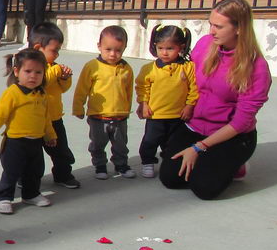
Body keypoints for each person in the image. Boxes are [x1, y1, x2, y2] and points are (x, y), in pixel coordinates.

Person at [159, 0, 271, 199]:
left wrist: (199, 147)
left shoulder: (256, 67)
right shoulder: (205, 44)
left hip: (231, 135)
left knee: (204, 189)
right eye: (210, 23)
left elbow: (241, 122)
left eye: (218, 26)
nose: (211, 31)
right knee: (170, 178)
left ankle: (235, 165)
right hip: (195, 126)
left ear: (239, 28)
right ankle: (211, 162)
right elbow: (189, 79)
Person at [0, 49, 57, 214]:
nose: (33, 76)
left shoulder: (42, 94)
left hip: (36, 141)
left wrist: (50, 135)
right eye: (27, 71)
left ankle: (31, 194)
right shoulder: (12, 93)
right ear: (16, 71)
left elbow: (45, 117)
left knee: (35, 170)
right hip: (15, 142)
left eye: (38, 72)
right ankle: (4, 197)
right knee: (11, 171)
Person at [72, 25, 136, 180]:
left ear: (124, 48)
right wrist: (78, 107)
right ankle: (100, 166)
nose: (113, 54)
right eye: (108, 49)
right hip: (98, 116)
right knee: (98, 144)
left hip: (120, 116)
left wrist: (127, 109)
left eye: (118, 50)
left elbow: (128, 92)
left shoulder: (126, 68)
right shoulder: (92, 67)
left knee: (121, 145)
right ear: (99, 46)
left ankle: (121, 165)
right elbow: (82, 89)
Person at [136, 25, 199, 178]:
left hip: (178, 116)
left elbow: (194, 88)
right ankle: (148, 162)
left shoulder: (188, 67)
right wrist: (143, 104)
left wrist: (189, 106)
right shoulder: (149, 69)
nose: (164, 52)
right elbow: (142, 87)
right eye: (160, 48)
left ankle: (168, 162)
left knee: (172, 143)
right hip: (155, 115)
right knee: (150, 141)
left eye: (170, 48)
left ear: (181, 47)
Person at [30, 22, 80, 189]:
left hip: (54, 118)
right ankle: (26, 178)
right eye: (54, 50)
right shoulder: (29, 67)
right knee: (31, 155)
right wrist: (57, 72)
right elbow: (40, 82)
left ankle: (63, 174)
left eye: (58, 50)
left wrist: (65, 79)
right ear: (38, 48)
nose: (57, 55)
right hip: (34, 121)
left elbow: (62, 89)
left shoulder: (53, 67)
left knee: (61, 151)